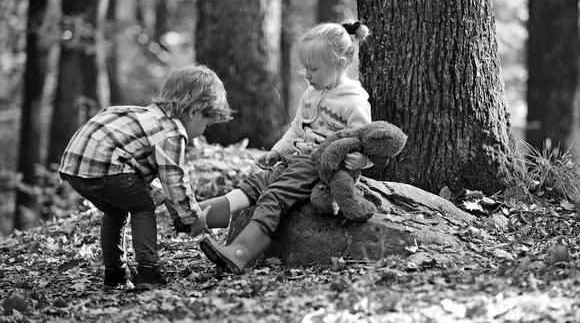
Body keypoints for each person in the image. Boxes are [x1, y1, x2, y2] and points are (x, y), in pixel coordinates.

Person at [199, 20, 375, 274]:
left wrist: (362, 161)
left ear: (340, 64)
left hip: (320, 167)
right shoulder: (311, 94)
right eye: (305, 68)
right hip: (297, 160)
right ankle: (210, 213)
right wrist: (278, 151)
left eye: (313, 68)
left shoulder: (354, 102)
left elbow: (364, 141)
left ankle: (240, 252)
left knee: (275, 194)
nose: (307, 74)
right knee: (258, 182)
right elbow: (295, 129)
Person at [58, 64, 234, 290]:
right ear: (194, 112)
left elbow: (144, 179)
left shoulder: (144, 117)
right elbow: (173, 178)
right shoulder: (171, 131)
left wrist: (177, 212)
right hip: (105, 165)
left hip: (76, 167)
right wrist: (192, 217)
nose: (203, 132)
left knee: (116, 210)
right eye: (206, 124)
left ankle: (115, 273)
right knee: (143, 206)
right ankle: (148, 272)